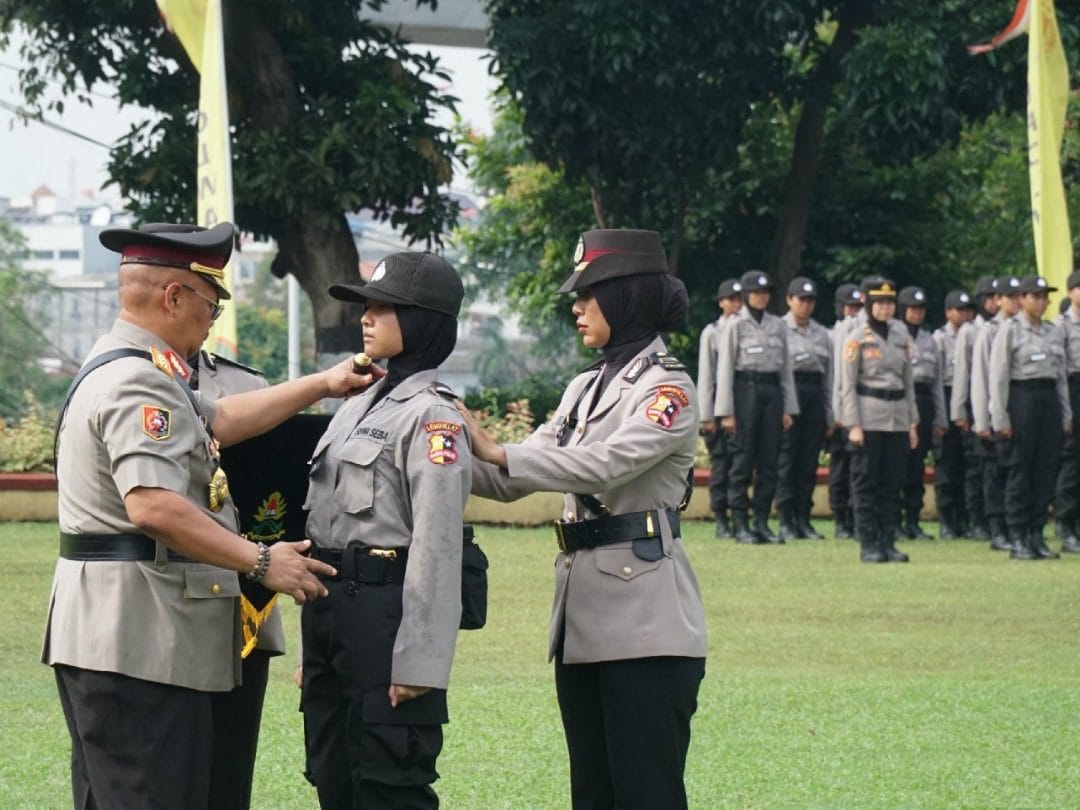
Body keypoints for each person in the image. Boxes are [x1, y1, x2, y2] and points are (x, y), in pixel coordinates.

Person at [42, 222, 364, 810]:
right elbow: (153, 505)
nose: (211, 320)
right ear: (174, 297)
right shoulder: (140, 382)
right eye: (210, 305)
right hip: (140, 640)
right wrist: (261, 561)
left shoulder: (128, 365)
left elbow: (222, 419)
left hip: (118, 633)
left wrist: (325, 382)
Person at [459, 229, 707, 810]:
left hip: (647, 627)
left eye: (589, 294)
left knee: (646, 795)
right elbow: (512, 478)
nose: (577, 307)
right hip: (582, 621)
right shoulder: (584, 386)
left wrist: (496, 448)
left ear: (627, 296)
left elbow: (605, 464)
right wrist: (434, 454)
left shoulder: (669, 388)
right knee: (592, 795)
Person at [300, 252, 471, 808]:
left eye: (383, 308)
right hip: (331, 613)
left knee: (389, 781)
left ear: (421, 320)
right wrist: (315, 643)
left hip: (386, 615)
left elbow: (438, 545)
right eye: (366, 306)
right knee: (333, 773)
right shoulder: (355, 404)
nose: (366, 318)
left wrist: (421, 659)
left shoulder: (433, 417)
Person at [189, 349, 286, 810]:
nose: (209, 318)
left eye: (216, 312)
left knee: (228, 776)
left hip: (241, 605)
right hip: (156, 605)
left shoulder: (247, 384)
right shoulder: (124, 373)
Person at [989, 275, 1072, 559]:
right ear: (1022, 299)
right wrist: (1000, 418)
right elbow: (998, 377)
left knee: (1045, 471)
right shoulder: (1010, 330)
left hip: (1049, 401)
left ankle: (1036, 533)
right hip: (1022, 398)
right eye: (1035, 296)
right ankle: (1018, 536)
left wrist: (1066, 413)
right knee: (1021, 471)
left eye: (1044, 297)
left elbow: (1060, 377)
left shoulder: (1053, 331)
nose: (1041, 302)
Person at [838, 277, 918, 563]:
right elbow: (847, 385)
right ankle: (868, 543)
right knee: (865, 484)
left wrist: (912, 423)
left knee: (892, 484)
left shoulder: (901, 335)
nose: (885, 308)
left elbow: (908, 383)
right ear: (869, 304)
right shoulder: (857, 337)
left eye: (889, 303)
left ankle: (888, 541)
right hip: (868, 417)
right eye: (879, 303)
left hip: (896, 417)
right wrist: (853, 425)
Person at [715, 270, 798, 543]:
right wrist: (726, 412)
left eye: (765, 293)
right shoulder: (735, 324)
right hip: (745, 390)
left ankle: (761, 521)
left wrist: (788, 407)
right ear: (746, 295)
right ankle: (740, 523)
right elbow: (725, 369)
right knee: (742, 458)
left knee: (769, 460)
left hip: (772, 392)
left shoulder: (778, 325)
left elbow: (786, 369)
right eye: (756, 293)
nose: (762, 297)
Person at [776, 277, 832, 540]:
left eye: (811, 300)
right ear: (789, 300)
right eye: (802, 299)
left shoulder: (822, 333)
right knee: (788, 459)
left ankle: (803, 518)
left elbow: (829, 377)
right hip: (792, 390)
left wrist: (829, 413)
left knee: (809, 460)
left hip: (815, 392)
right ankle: (786, 518)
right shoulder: (779, 328)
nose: (806, 305)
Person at [970, 276, 1022, 552]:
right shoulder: (989, 331)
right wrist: (982, 420)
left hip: (1021, 409)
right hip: (994, 413)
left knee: (1017, 472)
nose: (1015, 301)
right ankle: (997, 529)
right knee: (994, 474)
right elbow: (981, 378)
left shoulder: (1024, 328)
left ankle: (1016, 526)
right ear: (998, 300)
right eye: (1009, 296)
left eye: (1018, 296)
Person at [896, 286, 947, 540]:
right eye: (912, 309)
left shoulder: (930, 340)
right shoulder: (894, 334)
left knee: (917, 465)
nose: (917, 313)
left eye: (921, 309)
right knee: (898, 464)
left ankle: (913, 521)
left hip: (924, 398)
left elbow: (936, 382)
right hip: (901, 400)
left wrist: (940, 417)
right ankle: (893, 521)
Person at [950, 278, 997, 540]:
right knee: (975, 466)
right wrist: (959, 410)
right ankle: (976, 519)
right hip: (974, 402)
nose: (995, 302)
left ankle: (994, 518)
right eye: (990, 297)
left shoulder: (1003, 327)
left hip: (998, 403)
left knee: (997, 466)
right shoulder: (970, 331)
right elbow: (961, 373)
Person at [696, 278, 742, 537]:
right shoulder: (712, 332)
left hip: (741, 407)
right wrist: (707, 416)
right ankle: (721, 518)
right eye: (731, 299)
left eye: (739, 300)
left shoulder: (745, 329)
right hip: (716, 409)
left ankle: (738, 517)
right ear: (721, 302)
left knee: (739, 466)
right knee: (722, 465)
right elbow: (706, 375)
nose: (736, 304)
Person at [933, 289, 976, 538]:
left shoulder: (973, 334)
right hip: (947, 396)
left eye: (968, 310)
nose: (964, 314)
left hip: (968, 397)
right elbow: (937, 379)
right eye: (959, 310)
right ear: (948, 312)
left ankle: (963, 518)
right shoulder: (940, 338)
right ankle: (946, 519)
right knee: (946, 463)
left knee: (966, 462)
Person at [828, 283, 863, 538]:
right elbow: (835, 378)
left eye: (858, 307)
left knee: (858, 467)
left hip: (861, 408)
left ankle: (854, 516)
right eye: (850, 307)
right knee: (840, 467)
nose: (854, 313)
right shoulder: (835, 334)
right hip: (841, 409)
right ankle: (841, 518)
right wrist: (837, 412)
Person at [1053, 270, 1080, 554]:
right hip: (1073, 388)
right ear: (1070, 292)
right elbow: (1059, 369)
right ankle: (1066, 521)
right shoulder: (1061, 325)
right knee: (1071, 460)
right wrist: (1065, 411)